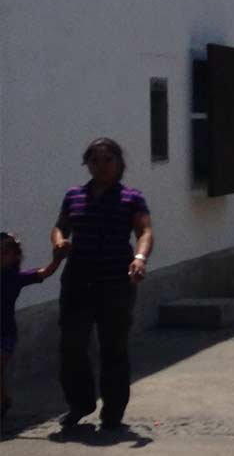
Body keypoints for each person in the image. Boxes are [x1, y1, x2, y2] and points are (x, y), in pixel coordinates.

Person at [51, 137, 154, 430]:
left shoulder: (131, 197)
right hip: (78, 282)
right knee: (72, 347)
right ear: (87, 164)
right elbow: (61, 225)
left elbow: (144, 230)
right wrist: (59, 241)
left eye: (107, 159)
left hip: (115, 284)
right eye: (95, 160)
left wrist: (139, 258)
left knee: (113, 348)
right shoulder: (74, 196)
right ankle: (79, 403)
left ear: (119, 163)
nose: (101, 165)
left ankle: (113, 412)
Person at [1, 232, 68, 418]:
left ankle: (3, 402)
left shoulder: (15, 278)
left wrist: (57, 259)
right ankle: (4, 400)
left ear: (14, 256)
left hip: (5, 332)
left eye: (4, 252)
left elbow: (44, 273)